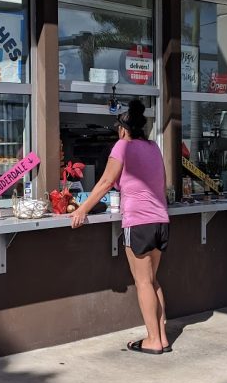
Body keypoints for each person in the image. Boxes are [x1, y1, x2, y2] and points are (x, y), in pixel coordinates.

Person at [70, 100, 171, 354]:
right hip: (160, 220)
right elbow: (160, 182)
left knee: (143, 282)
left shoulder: (122, 146)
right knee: (152, 280)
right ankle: (162, 337)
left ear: (123, 129)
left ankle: (153, 341)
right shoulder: (153, 147)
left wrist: (82, 209)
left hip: (138, 222)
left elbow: (105, 181)